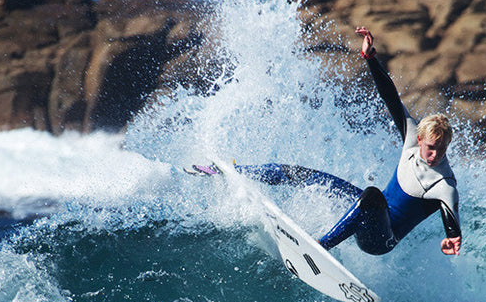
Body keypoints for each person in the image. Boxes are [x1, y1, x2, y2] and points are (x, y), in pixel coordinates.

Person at [189, 27, 462, 257]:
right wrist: (370, 58)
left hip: (381, 240)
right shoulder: (412, 138)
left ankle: (320, 247)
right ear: (419, 139)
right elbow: (390, 96)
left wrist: (452, 240)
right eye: (431, 147)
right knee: (303, 174)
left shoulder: (444, 184)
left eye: (441, 149)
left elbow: (452, 223)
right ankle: (234, 171)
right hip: (369, 210)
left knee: (370, 196)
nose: (435, 154)